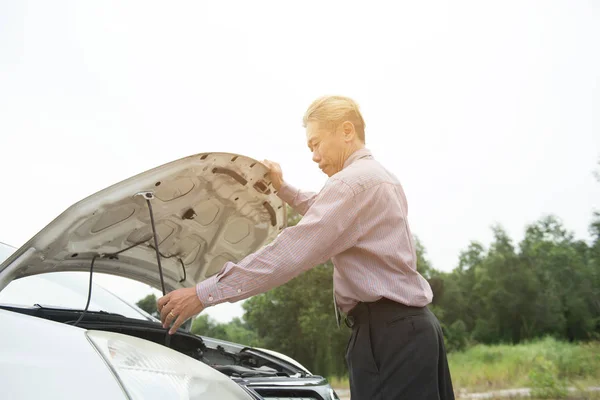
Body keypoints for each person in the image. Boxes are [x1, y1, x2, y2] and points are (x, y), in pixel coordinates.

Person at [157, 95, 455, 400]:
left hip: (387, 335)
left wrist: (203, 293)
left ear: (347, 131)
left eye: (316, 144)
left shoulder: (350, 184)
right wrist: (283, 189)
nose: (314, 156)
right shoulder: (378, 179)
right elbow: (325, 210)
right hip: (414, 331)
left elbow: (288, 253)